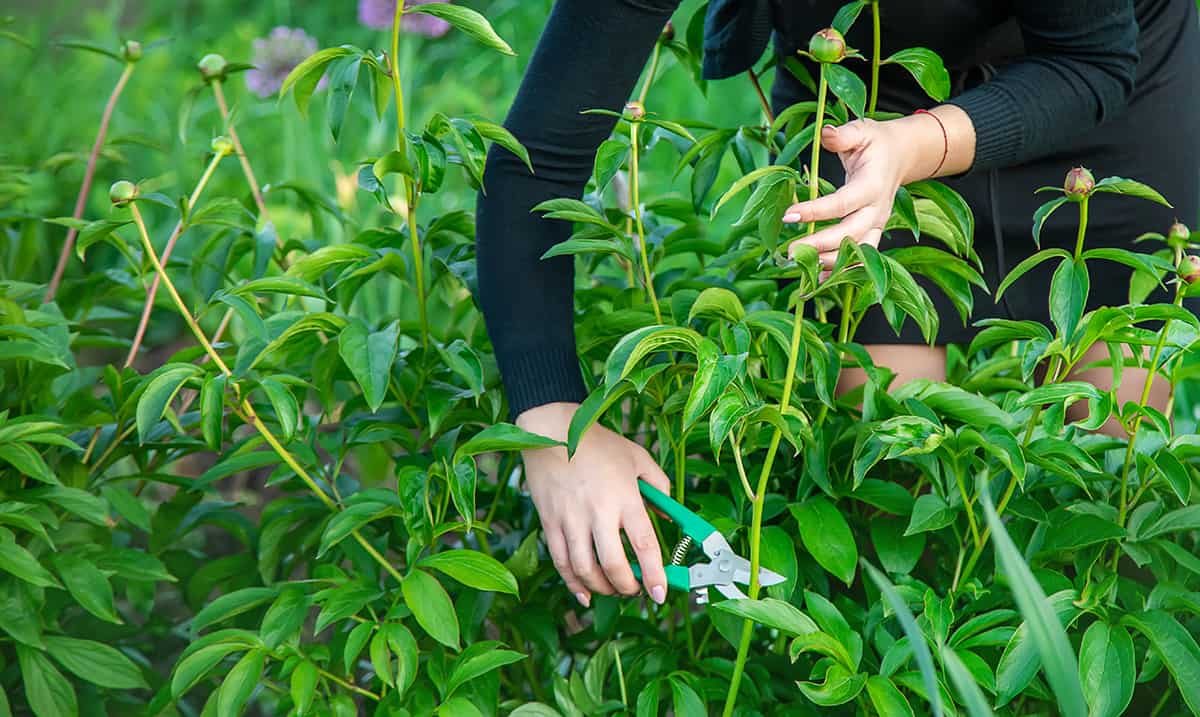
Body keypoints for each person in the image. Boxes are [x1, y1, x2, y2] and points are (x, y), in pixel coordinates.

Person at [474, 0, 1200, 607]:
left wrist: (916, 146)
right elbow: (536, 159)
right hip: (853, 95)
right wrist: (555, 425)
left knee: (1113, 493)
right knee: (885, 486)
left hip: (1104, 89)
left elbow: (1092, 62)